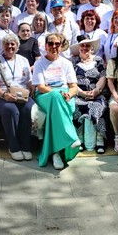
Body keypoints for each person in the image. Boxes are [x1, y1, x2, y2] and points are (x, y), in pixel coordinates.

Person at [32, 34, 81, 169]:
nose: (54, 46)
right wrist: (58, 94)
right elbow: (41, 87)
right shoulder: (39, 63)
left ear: (61, 46)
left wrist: (68, 94)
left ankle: (56, 154)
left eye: (57, 44)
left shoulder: (67, 63)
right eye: (51, 43)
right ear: (46, 46)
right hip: (45, 95)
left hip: (64, 95)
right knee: (55, 97)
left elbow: (73, 87)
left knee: (56, 105)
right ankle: (71, 137)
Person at [0, 33, 35, 161]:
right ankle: (13, 146)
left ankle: (25, 145)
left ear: (17, 46)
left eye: (13, 44)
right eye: (7, 44)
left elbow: (29, 80)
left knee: (29, 108)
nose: (10, 47)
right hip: (0, 95)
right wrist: (4, 95)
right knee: (10, 109)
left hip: (21, 95)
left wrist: (32, 89)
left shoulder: (23, 60)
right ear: (3, 46)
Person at [71, 37, 108, 153]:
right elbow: (70, 81)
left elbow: (103, 76)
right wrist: (81, 93)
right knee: (75, 105)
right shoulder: (73, 62)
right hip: (78, 94)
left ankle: (99, 139)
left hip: (96, 94)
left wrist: (97, 90)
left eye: (87, 45)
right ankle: (80, 138)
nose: (84, 48)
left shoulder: (98, 60)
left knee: (99, 105)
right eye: (82, 46)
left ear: (91, 48)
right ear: (79, 48)